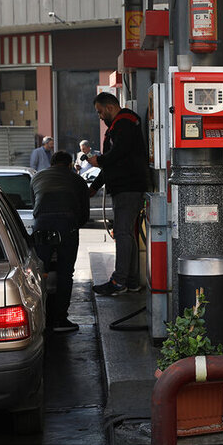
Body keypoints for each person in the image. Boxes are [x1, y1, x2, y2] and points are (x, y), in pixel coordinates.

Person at [90, 92, 148, 296]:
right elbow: (113, 161)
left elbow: (117, 154)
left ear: (110, 107)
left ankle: (119, 281)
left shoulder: (124, 123)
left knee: (123, 234)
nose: (100, 116)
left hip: (128, 188)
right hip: (126, 186)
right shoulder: (123, 124)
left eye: (100, 111)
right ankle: (130, 280)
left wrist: (101, 161)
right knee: (127, 234)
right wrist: (95, 186)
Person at [31, 150, 90, 332]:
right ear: (70, 164)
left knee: (39, 271)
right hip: (67, 224)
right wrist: (72, 226)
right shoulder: (77, 180)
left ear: (51, 163)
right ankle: (60, 319)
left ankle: (40, 318)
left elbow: (35, 204)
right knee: (65, 273)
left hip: (42, 224)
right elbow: (84, 213)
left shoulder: (37, 177)